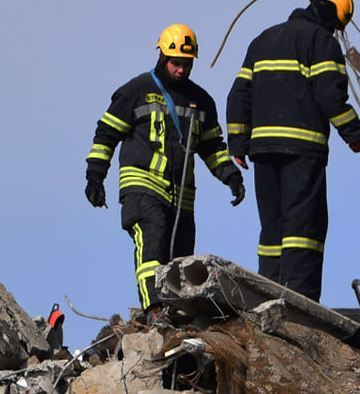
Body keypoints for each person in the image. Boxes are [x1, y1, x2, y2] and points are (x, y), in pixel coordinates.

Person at [85, 24, 244, 313]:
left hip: (182, 197)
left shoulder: (202, 101)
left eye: (187, 64)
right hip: (143, 187)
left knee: (180, 260)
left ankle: (177, 313)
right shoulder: (136, 91)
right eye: (176, 63)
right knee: (152, 246)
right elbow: (106, 134)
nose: (182, 70)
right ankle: (154, 310)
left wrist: (230, 176)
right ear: (161, 57)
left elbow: (212, 147)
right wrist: (95, 176)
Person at [225, 0, 360, 302]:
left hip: (262, 151)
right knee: (304, 229)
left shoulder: (262, 40)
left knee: (272, 229)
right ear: (333, 19)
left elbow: (238, 96)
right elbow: (330, 97)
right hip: (302, 152)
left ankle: (267, 296)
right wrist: (354, 135)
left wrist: (237, 144)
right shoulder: (321, 42)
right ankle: (298, 304)